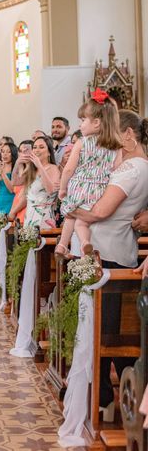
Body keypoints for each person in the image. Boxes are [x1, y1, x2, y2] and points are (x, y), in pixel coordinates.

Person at [68, 109, 148, 411]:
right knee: (107, 332)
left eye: (115, 134)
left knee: (106, 333)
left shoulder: (132, 170)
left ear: (129, 135)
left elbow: (101, 211)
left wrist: (72, 206)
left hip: (110, 257)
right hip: (111, 253)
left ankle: (105, 399)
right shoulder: (130, 166)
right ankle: (109, 397)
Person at [55, 92, 123, 257]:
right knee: (81, 222)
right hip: (100, 193)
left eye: (83, 120)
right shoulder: (117, 146)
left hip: (79, 188)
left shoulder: (82, 142)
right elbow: (117, 170)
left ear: (97, 123)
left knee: (71, 217)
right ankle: (85, 242)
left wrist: (62, 189)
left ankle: (63, 245)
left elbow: (69, 170)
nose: (80, 125)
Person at [11, 136, 60, 228]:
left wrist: (40, 166)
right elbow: (15, 182)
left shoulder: (53, 168)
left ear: (49, 152)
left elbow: (50, 190)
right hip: (29, 213)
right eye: (35, 147)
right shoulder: (31, 169)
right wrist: (18, 163)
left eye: (41, 147)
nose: (37, 150)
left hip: (44, 215)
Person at [8, 141, 34, 224]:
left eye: (26, 151)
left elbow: (26, 195)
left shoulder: (32, 170)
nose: (23, 154)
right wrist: (18, 163)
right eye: (20, 151)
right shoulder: (23, 168)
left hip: (24, 208)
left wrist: (13, 212)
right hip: (17, 208)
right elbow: (14, 182)